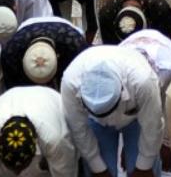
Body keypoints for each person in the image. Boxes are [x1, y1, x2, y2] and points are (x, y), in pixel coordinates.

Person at [60, 45, 164, 177]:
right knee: (101, 168)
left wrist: (144, 166)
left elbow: (152, 126)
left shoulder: (143, 82)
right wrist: (97, 168)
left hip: (135, 118)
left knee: (141, 167)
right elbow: (79, 129)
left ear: (121, 92)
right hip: (94, 122)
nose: (107, 118)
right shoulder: (70, 83)